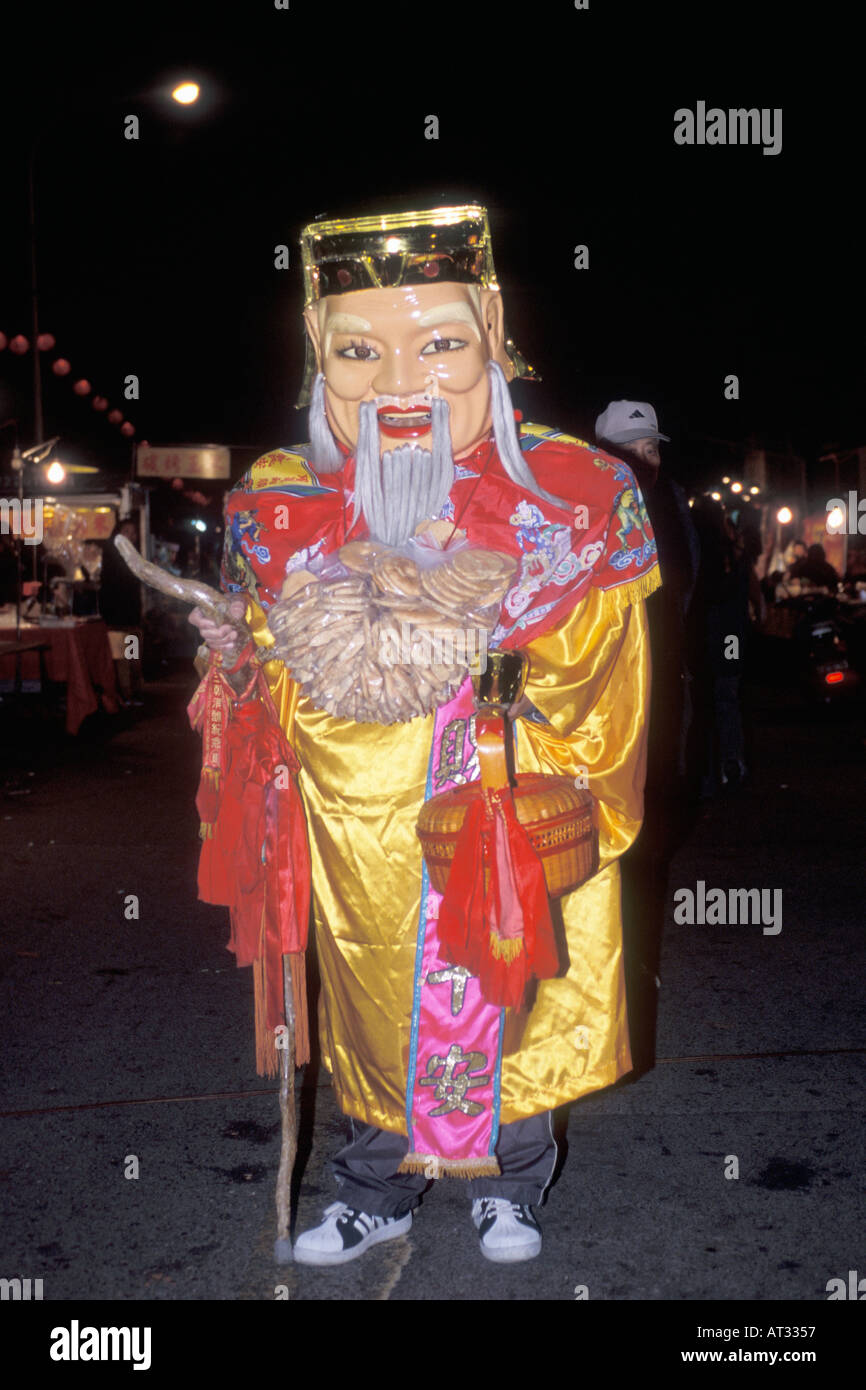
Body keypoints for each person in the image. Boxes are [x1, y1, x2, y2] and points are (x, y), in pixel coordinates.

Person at [190, 203, 660, 1265]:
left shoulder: (578, 493)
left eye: (439, 343)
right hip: (358, 817)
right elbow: (254, 668)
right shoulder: (275, 503)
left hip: (502, 787)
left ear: (491, 333)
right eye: (358, 351)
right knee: (367, 990)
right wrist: (234, 661)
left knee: (515, 977)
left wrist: (506, 677)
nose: (399, 383)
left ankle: (512, 1182)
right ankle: (373, 1186)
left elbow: (609, 670)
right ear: (319, 359)